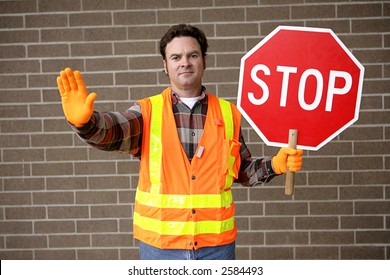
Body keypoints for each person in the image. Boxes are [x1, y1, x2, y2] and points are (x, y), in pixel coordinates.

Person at [56, 24, 303, 260]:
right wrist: (86, 123)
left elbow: (241, 169)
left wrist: (275, 164)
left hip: (216, 249)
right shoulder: (147, 112)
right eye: (176, 57)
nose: (185, 62)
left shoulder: (228, 114)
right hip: (161, 250)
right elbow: (112, 131)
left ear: (204, 61)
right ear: (165, 65)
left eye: (192, 55)